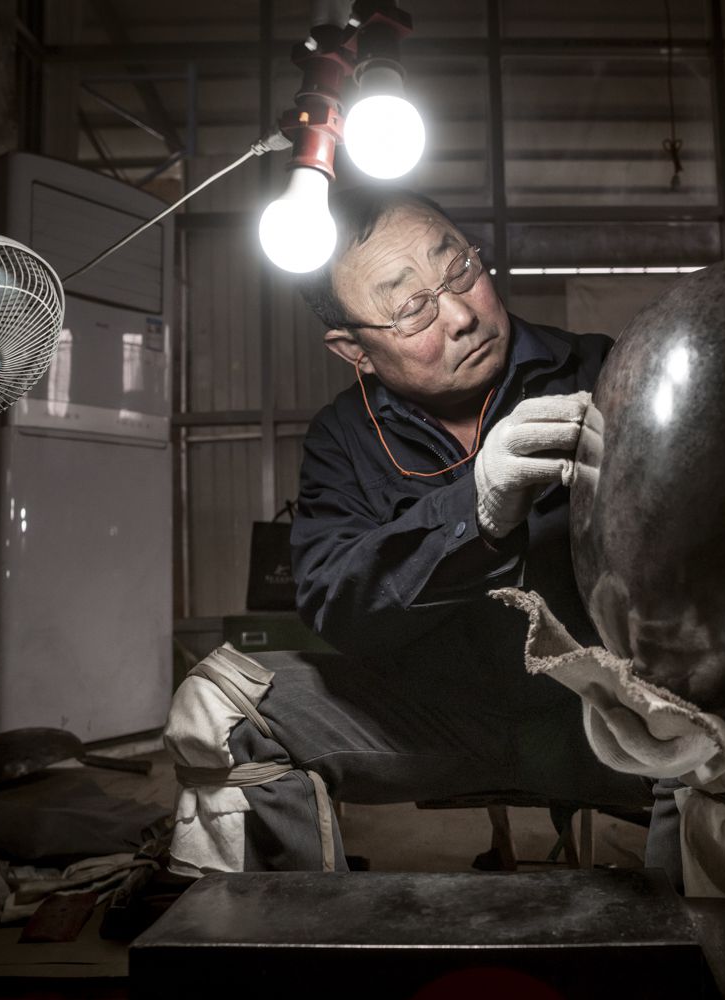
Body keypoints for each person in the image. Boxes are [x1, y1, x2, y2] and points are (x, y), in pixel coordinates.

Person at [165, 186, 680, 883]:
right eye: (411, 308)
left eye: (460, 269)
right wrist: (477, 510)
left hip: (602, 718)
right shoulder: (343, 438)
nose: (463, 316)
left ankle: (701, 943)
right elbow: (333, 603)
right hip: (428, 718)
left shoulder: (604, 371)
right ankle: (280, 939)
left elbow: (701, 557)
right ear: (354, 349)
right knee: (222, 708)